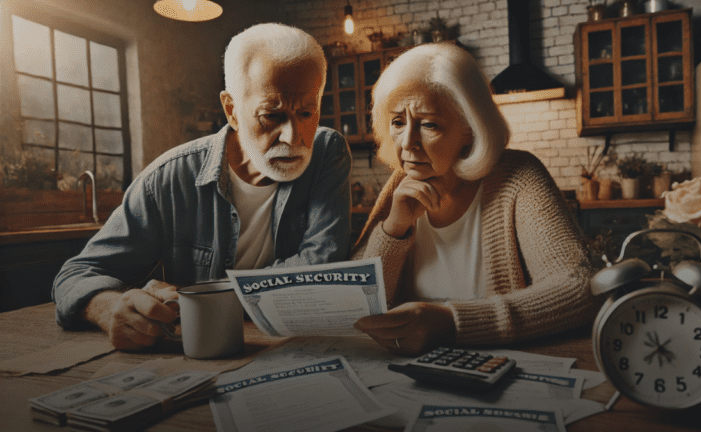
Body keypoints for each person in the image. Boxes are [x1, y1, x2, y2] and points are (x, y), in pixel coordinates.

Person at [53, 23, 352, 351]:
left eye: (307, 113)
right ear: (232, 110)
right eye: (271, 115)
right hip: (202, 356)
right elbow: (76, 275)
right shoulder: (169, 179)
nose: (293, 138)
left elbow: (323, 265)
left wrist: (196, 298)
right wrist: (110, 309)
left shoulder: (327, 153)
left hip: (296, 349)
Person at [351, 43, 601, 356]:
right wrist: (393, 228)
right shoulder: (399, 184)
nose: (409, 143)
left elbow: (581, 287)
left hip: (504, 367)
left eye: (429, 124)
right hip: (409, 373)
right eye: (398, 122)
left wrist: (453, 324)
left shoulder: (518, 176)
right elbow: (353, 302)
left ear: (470, 128)